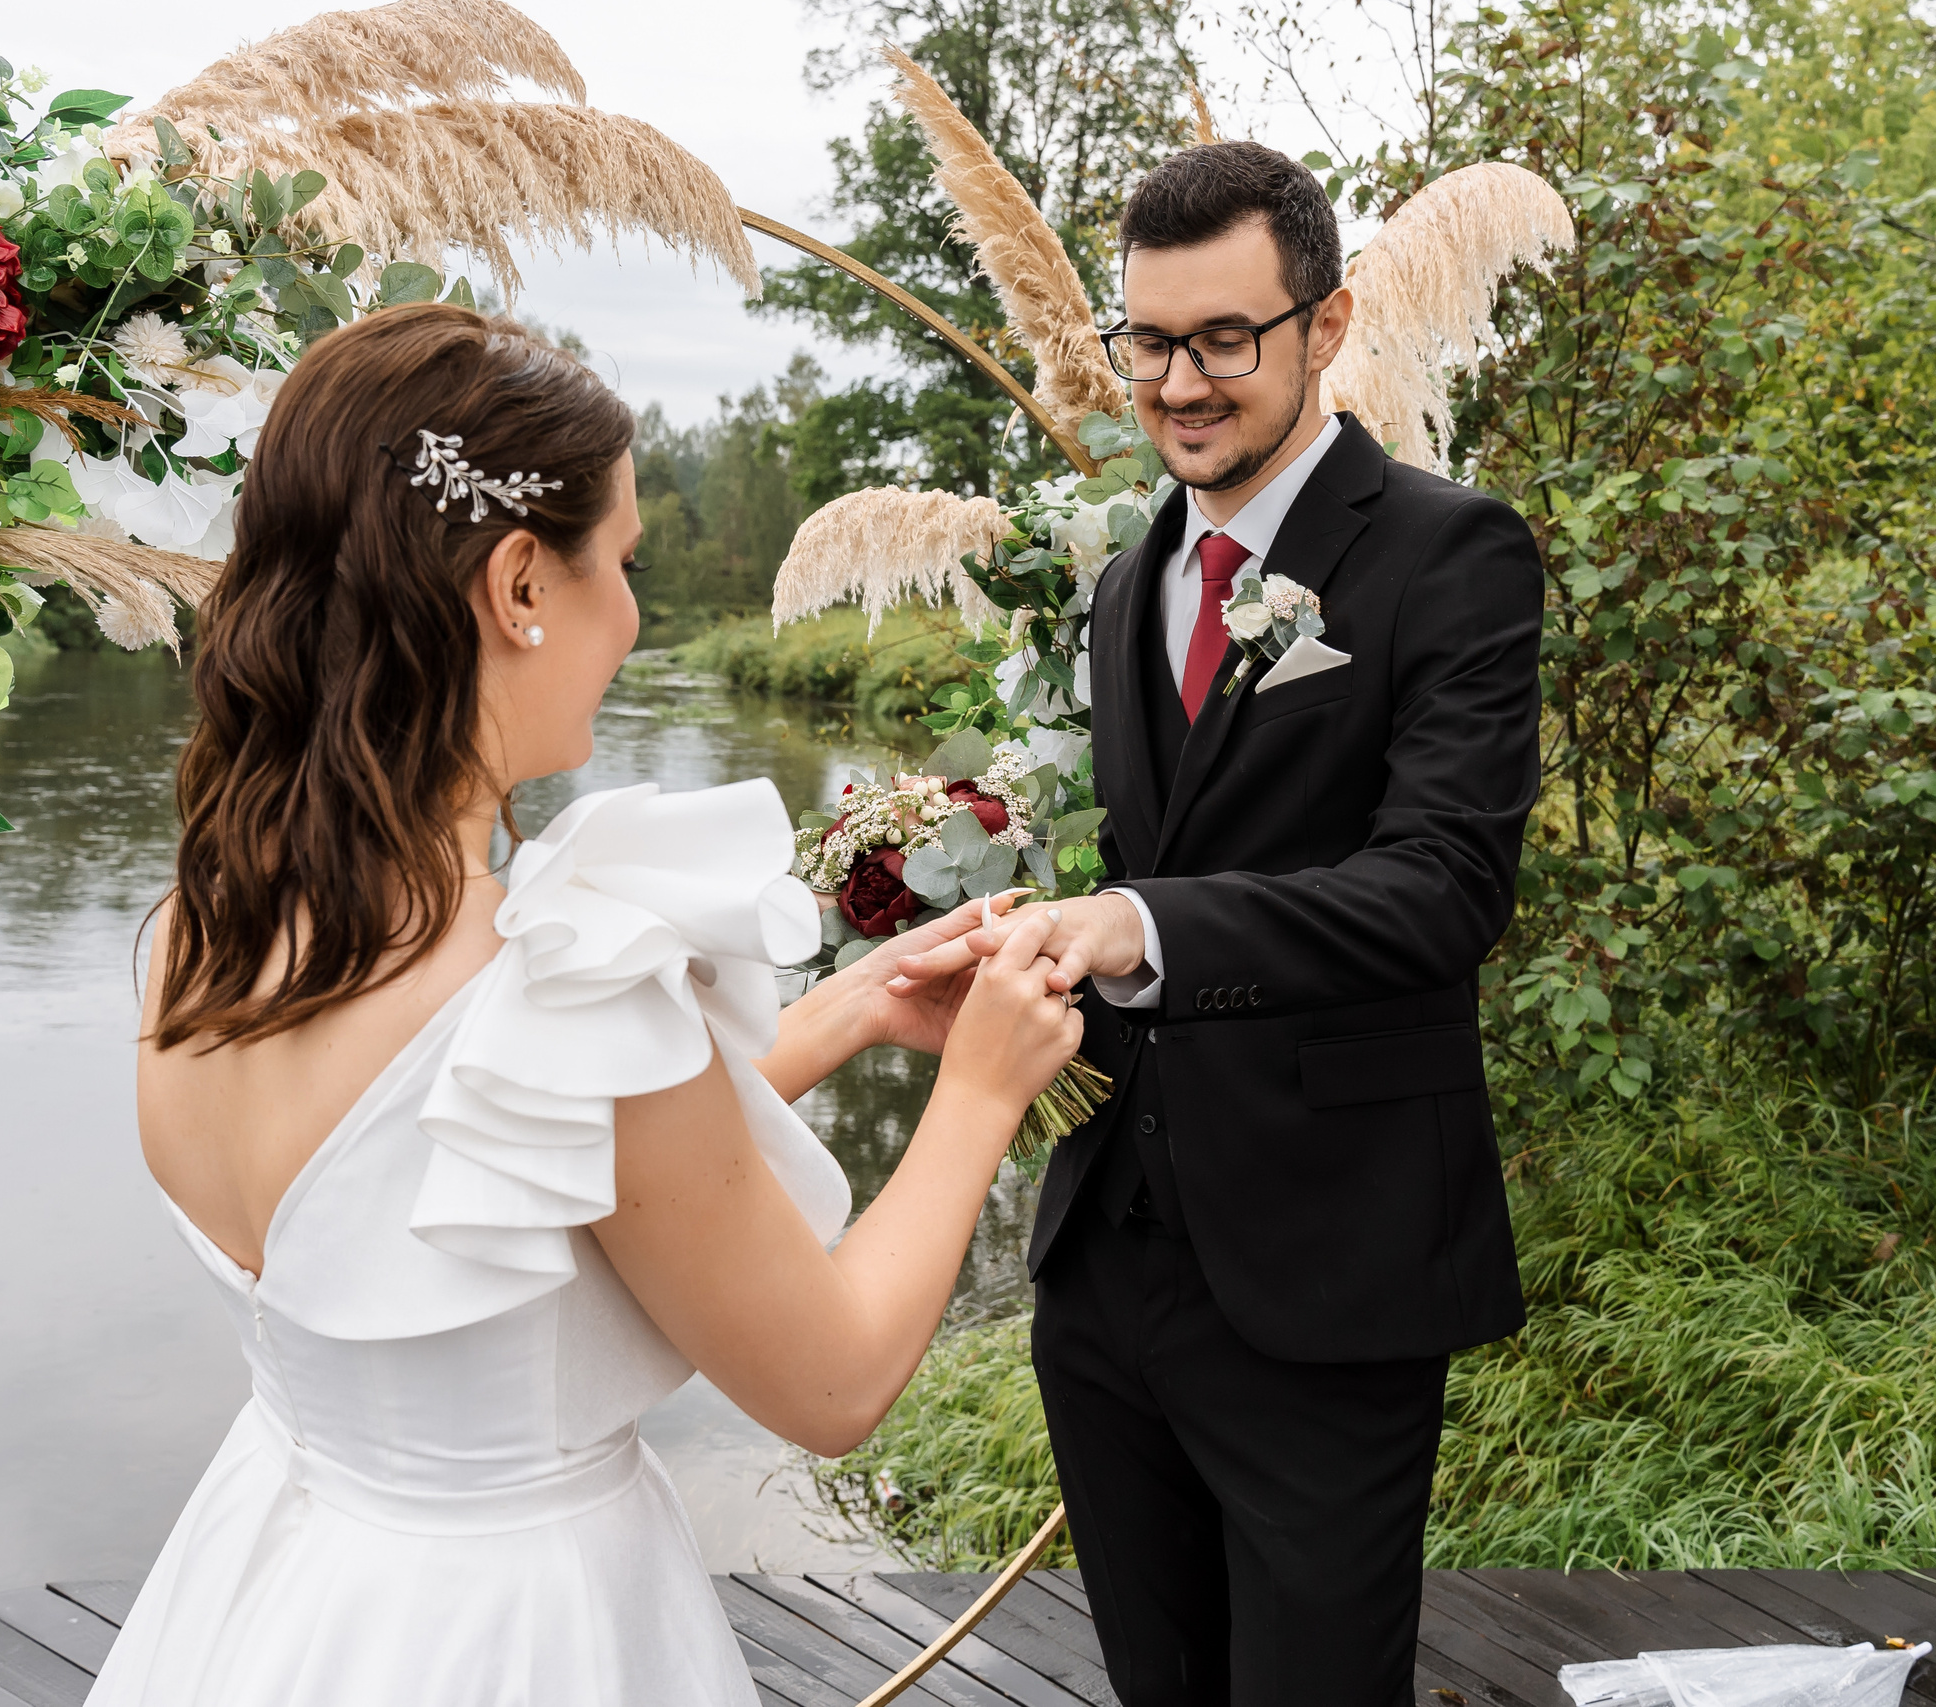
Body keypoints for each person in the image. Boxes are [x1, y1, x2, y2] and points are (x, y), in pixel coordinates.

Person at [88, 303, 1082, 1706]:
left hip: (284, 1595)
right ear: (517, 585)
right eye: (621, 561)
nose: (635, 615)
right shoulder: (565, 977)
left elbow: (484, 1179)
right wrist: (981, 1089)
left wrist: (846, 1014)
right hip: (521, 1632)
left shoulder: (203, 937)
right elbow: (836, 1384)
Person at [895, 141, 1544, 1704]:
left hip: (1330, 1262)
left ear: (1324, 328)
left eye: (1223, 340)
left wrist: (1134, 920)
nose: (1179, 384)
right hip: (1106, 1270)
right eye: (1150, 342)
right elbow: (1146, 840)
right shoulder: (1127, 582)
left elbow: (1445, 887)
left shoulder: (1451, 554)